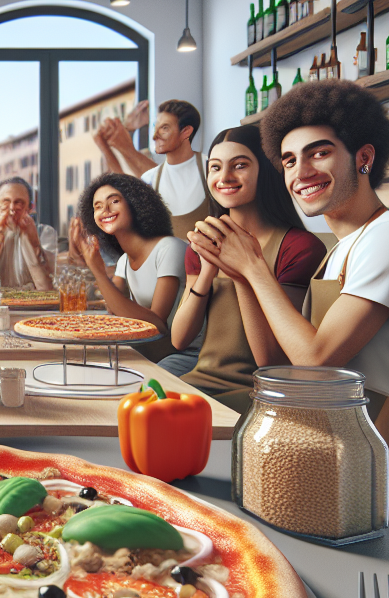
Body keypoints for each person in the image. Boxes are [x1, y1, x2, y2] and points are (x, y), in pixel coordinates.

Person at [189, 82, 389, 438]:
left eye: (318, 153)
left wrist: (255, 267)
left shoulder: (388, 234)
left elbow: (317, 362)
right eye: (289, 160)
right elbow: (273, 362)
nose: (300, 172)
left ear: (364, 158)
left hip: (374, 442)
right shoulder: (340, 248)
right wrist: (239, 273)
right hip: (332, 425)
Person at [171, 124, 326, 415]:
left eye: (239, 165)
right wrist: (207, 270)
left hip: (260, 393)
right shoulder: (202, 243)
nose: (224, 177)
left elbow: (272, 361)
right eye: (215, 168)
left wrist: (241, 271)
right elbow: (179, 339)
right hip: (197, 384)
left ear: (266, 171)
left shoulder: (298, 247)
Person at [70, 172, 193, 368]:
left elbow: (157, 325)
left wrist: (98, 271)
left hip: (181, 355)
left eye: (114, 201)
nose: (106, 210)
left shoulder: (169, 249)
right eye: (98, 206)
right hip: (149, 352)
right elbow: (116, 309)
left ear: (135, 204)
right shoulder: (124, 261)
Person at [94, 100, 208, 241]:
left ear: (186, 132)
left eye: (164, 128)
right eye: (155, 126)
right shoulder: (151, 177)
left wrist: (123, 143)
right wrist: (108, 143)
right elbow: (118, 183)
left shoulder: (210, 168)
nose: (155, 136)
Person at [0, 177, 56, 289]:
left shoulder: (45, 233)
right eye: (6, 202)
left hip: (35, 305)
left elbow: (49, 289)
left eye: (19, 203)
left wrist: (33, 245)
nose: (12, 208)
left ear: (30, 208)